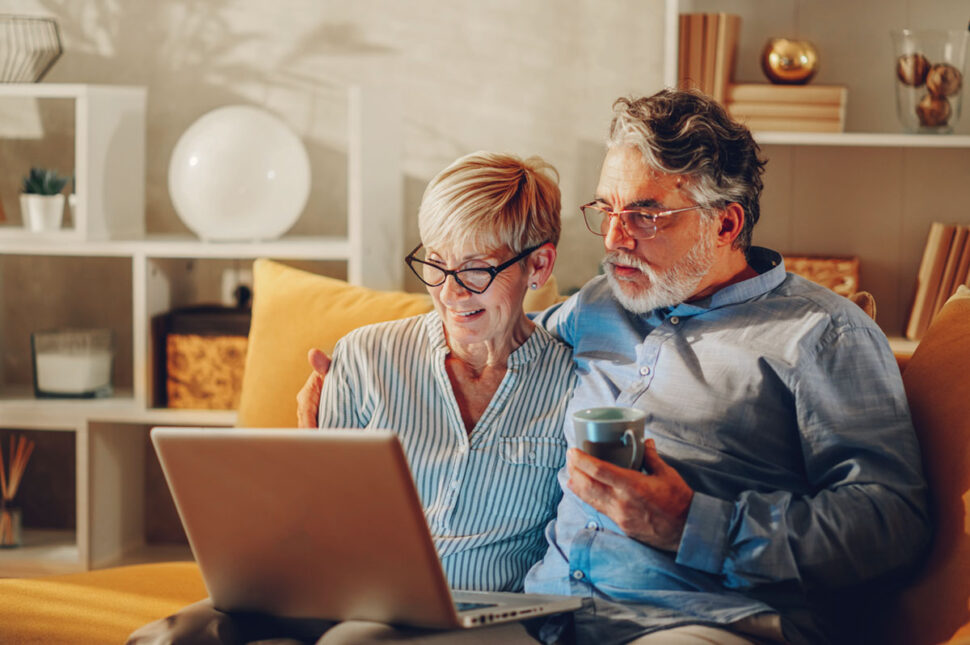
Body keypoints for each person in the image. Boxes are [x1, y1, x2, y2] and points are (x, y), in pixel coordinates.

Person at [297, 89, 931, 645]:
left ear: (726, 223)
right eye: (606, 210)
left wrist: (695, 525)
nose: (613, 239)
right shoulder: (603, 302)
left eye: (645, 215)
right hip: (548, 618)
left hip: (702, 620)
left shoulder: (823, 334)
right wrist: (351, 404)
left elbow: (891, 523)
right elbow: (494, 333)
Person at [128, 151, 575, 645]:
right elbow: (312, 522)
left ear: (539, 264)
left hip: (486, 617)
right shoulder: (366, 355)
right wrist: (304, 467)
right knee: (178, 635)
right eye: (436, 263)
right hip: (341, 593)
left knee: (355, 642)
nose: (449, 293)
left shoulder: (575, 383)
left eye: (475, 271)